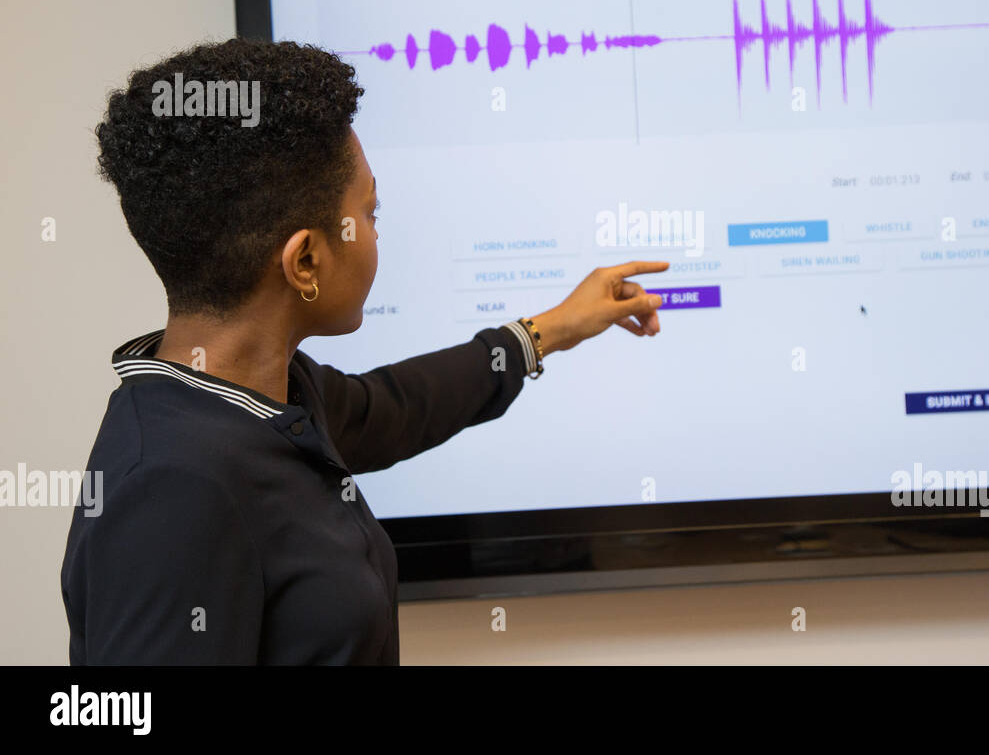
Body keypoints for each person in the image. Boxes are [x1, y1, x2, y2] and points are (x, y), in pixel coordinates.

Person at [61, 38, 666, 664]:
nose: (377, 232)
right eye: (369, 212)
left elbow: (397, 406)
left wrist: (554, 327)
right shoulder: (169, 492)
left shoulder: (266, 394)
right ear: (306, 261)